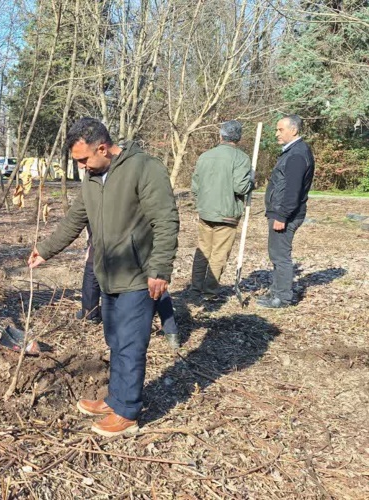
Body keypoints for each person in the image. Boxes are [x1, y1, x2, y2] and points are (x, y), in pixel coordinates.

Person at [28, 118, 179, 437]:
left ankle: (127, 412)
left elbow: (165, 221)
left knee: (131, 344)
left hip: (138, 275)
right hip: (107, 274)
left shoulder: (144, 168)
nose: (81, 166)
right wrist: (45, 249)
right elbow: (74, 219)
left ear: (103, 148)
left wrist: (160, 269)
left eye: (84, 159)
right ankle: (116, 398)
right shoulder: (92, 178)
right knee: (115, 340)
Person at [77, 226, 180, 349]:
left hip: (123, 241)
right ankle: (171, 331)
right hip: (138, 239)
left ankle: (91, 314)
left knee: (93, 260)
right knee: (154, 283)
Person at [190, 120, 253, 301]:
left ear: (220, 135)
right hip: (227, 215)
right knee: (219, 253)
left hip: (205, 213)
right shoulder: (241, 158)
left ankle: (195, 289)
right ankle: (209, 292)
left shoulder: (205, 156)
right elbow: (241, 187)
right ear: (239, 138)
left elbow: (195, 187)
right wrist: (251, 182)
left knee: (203, 250)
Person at [257, 115, 315, 308]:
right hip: (281, 213)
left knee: (280, 256)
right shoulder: (292, 152)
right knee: (276, 254)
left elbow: (293, 190)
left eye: (280, 130)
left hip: (286, 215)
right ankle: (276, 292)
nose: (276, 134)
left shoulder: (297, 155)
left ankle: (282, 298)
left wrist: (282, 216)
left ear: (294, 130)